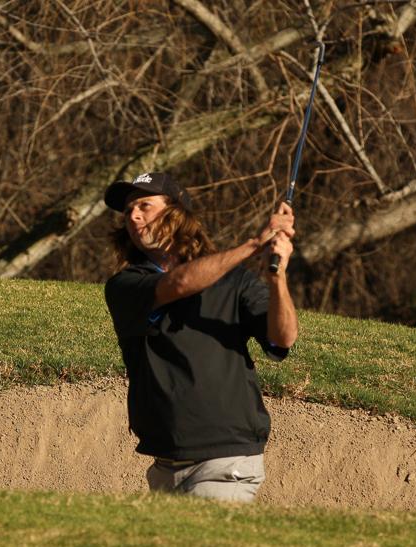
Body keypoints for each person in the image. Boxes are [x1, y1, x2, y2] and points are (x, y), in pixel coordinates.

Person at [104, 172, 297, 503]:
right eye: (128, 212)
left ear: (177, 214)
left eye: (144, 206)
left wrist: (276, 278)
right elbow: (178, 284)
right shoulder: (126, 286)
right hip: (165, 466)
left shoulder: (234, 282)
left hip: (226, 460)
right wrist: (254, 244)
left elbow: (282, 339)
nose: (133, 216)